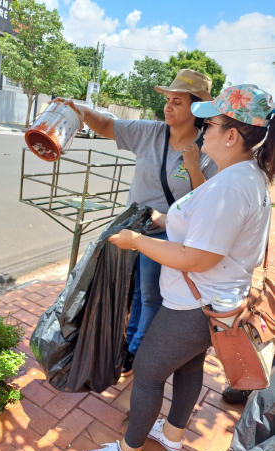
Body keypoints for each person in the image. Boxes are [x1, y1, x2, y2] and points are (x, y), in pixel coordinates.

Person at [85, 84, 275, 451]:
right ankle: (172, 434)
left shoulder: (231, 186)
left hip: (193, 305)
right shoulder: (243, 176)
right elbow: (206, 232)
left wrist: (137, 240)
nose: (203, 130)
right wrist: (162, 220)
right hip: (213, 304)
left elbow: (197, 257)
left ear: (232, 135)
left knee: (150, 372)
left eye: (211, 123)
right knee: (188, 368)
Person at [54, 69, 218, 376]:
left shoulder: (207, 149)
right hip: (133, 230)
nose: (168, 107)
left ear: (196, 108)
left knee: (151, 296)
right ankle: (131, 343)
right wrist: (79, 109)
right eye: (167, 100)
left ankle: (136, 352)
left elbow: (204, 202)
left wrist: (194, 166)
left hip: (168, 235)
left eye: (177, 102)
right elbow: (105, 124)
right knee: (136, 293)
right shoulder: (150, 132)